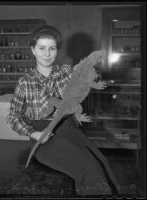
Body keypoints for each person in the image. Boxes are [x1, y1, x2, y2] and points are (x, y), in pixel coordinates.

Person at [7, 24, 120, 196]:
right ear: (33, 50)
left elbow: (84, 80)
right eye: (41, 48)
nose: (47, 54)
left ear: (57, 50)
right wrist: (33, 134)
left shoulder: (66, 71)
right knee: (88, 169)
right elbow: (13, 117)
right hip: (43, 135)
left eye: (52, 48)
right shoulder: (25, 82)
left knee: (102, 162)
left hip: (69, 128)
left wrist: (93, 73)